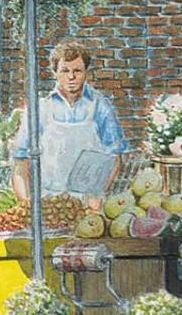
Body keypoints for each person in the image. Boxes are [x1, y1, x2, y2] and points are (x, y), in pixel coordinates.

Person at [12, 40, 129, 201]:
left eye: (77, 71)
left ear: (86, 72)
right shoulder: (40, 108)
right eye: (65, 71)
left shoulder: (100, 105)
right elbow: (21, 163)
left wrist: (97, 195)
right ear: (55, 73)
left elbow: (115, 158)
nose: (71, 77)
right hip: (47, 199)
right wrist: (27, 204)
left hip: (88, 201)